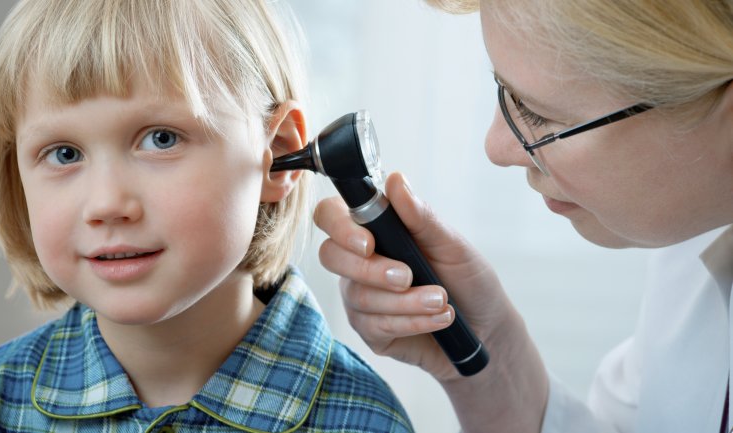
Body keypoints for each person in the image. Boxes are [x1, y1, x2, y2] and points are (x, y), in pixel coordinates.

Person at [0, 1, 413, 432]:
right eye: (64, 153)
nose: (106, 204)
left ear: (276, 156)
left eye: (161, 139)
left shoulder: (365, 421)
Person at [312, 0, 733, 432]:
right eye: (504, 90)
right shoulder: (691, 258)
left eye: (539, 114)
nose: (496, 148)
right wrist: (492, 355)